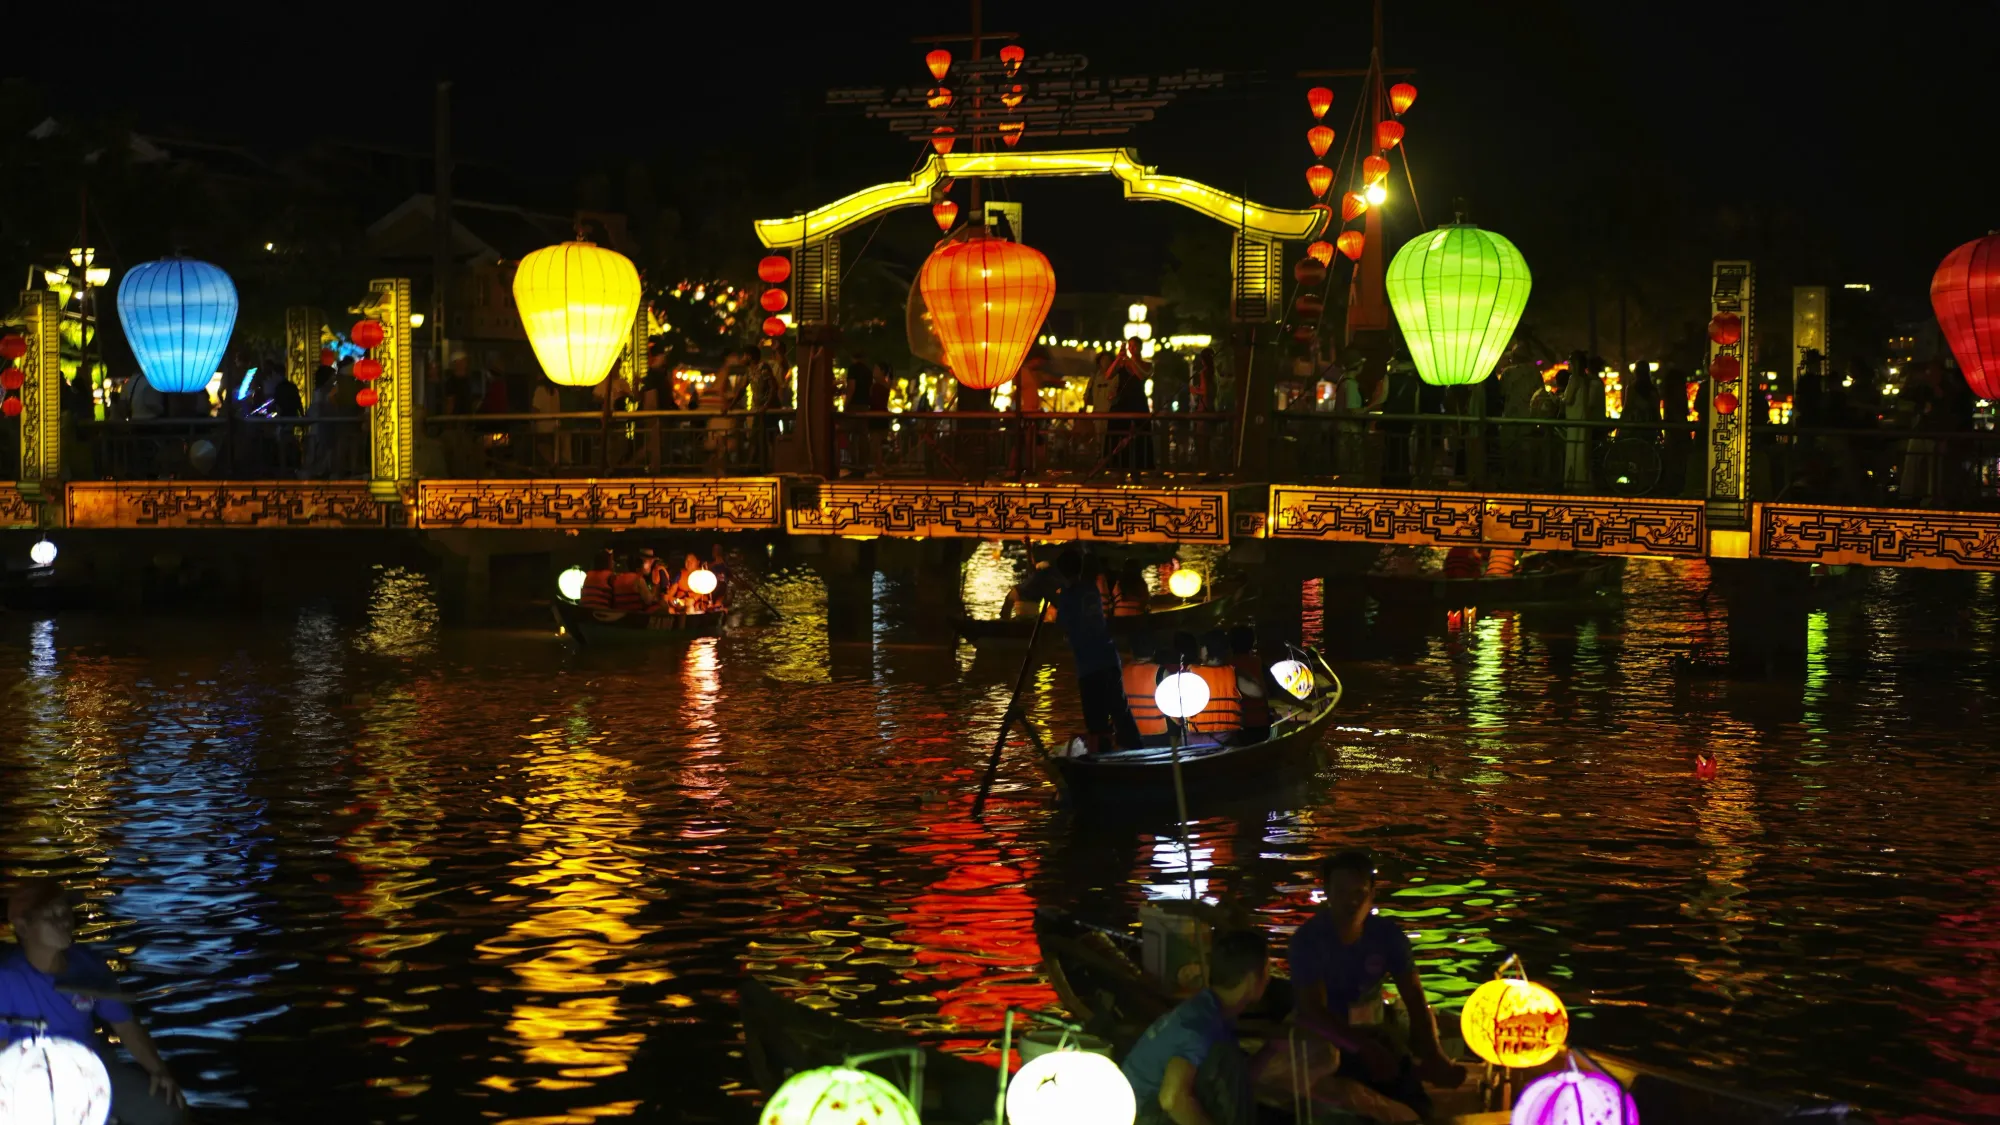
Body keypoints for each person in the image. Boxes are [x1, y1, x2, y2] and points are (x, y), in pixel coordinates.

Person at [1290, 851, 1466, 1118]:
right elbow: (1313, 1011)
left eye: (1359, 893)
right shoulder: (1308, 941)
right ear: (1327, 892)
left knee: (1418, 1107)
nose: (1351, 902)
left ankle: (1419, 1070)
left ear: (1372, 893)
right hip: (1324, 1039)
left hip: (1372, 1029)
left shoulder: (1388, 936)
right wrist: (1365, 1048)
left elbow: (1416, 1000)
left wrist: (1434, 1052)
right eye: (1341, 892)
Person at [1, 879, 186, 1125]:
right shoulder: (7, 978)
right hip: (30, 1075)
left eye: (65, 912)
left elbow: (126, 1025)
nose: (64, 921)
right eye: (51, 915)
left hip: (92, 1066)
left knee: (166, 1111)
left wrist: (158, 1070)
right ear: (24, 928)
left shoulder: (89, 966)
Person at [1120, 929, 1278, 1125]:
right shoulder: (1201, 1026)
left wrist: (1272, 1048)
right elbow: (1172, 1099)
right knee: (1226, 1056)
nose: (1269, 979)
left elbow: (1237, 1080)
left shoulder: (1212, 1009)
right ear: (1253, 980)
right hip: (1141, 1114)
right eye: (1267, 971)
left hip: (1142, 1105)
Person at [1054, 548, 1143, 752]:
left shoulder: (1068, 595)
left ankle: (1102, 752)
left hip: (1089, 664)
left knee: (1095, 715)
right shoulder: (1091, 588)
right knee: (1119, 709)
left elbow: (1062, 625)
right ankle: (1134, 747)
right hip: (1108, 657)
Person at [1190, 630, 1244, 739]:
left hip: (1197, 736)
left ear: (1205, 650)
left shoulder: (1191, 673)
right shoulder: (1232, 673)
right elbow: (1258, 692)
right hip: (1228, 736)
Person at [1227, 626, 1270, 740]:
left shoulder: (1226, 666)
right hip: (1260, 723)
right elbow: (1276, 690)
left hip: (1235, 725)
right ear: (1252, 643)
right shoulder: (1258, 664)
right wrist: (1304, 705)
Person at [1121, 636, 1169, 739]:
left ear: (1132, 651)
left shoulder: (1121, 672)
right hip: (1157, 733)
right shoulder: (1160, 671)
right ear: (1154, 651)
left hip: (1129, 733)